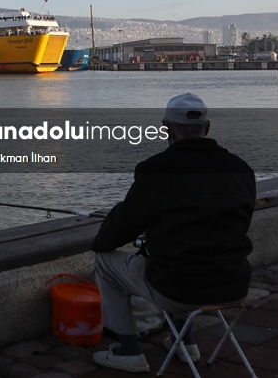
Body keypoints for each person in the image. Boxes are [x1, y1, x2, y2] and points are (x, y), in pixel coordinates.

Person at [91, 93, 256, 373]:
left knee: (106, 262)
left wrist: (101, 241)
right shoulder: (241, 169)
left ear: (166, 129)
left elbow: (120, 228)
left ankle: (129, 351)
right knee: (175, 255)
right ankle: (186, 342)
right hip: (234, 285)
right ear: (207, 127)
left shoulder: (157, 169)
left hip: (179, 288)